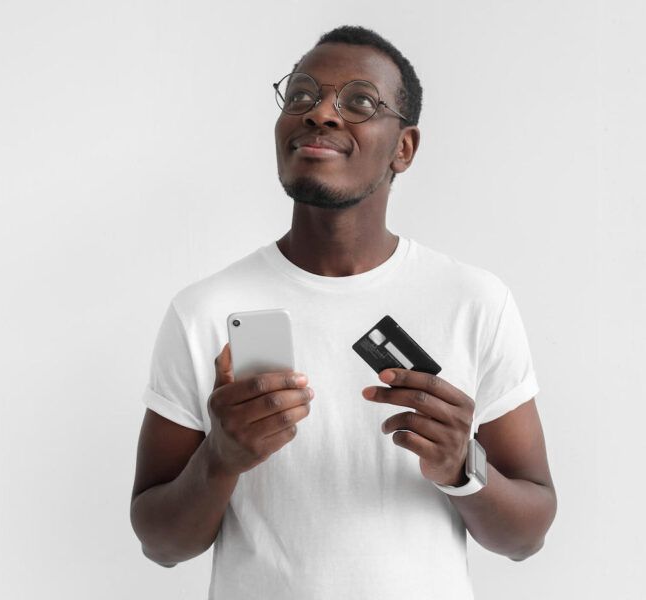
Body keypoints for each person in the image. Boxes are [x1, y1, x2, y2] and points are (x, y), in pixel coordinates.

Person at [129, 24, 557, 600]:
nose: (320, 114)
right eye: (302, 95)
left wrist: (462, 468)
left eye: (359, 101)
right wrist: (220, 460)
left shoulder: (474, 302)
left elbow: (526, 537)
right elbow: (161, 545)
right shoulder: (206, 310)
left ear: (403, 149)